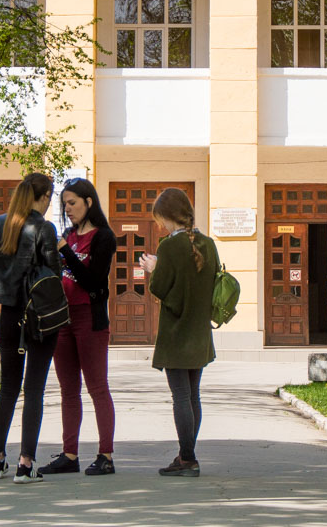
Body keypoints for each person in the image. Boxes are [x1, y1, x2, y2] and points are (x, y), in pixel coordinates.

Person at [0, 172, 60, 483]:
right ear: (44, 197)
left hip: (8, 316)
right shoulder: (44, 227)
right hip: (39, 317)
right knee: (34, 389)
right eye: (50, 198)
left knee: (8, 388)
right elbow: (53, 275)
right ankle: (25, 464)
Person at [40, 178, 116, 476]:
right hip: (63, 319)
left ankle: (105, 455)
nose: (68, 209)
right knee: (68, 390)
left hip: (89, 319)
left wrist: (66, 251)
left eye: (72, 203)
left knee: (97, 387)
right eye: (65, 204)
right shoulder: (68, 236)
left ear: (89, 202)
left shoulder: (104, 237)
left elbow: (93, 281)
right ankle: (69, 455)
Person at [139, 187, 217, 478]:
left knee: (181, 397)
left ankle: (187, 458)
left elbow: (160, 288)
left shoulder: (169, 247)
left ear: (168, 216)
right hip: (200, 331)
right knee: (193, 395)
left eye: (160, 219)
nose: (160, 225)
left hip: (176, 332)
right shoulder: (208, 244)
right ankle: (187, 454)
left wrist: (154, 268)